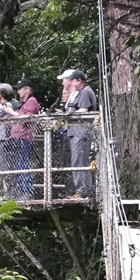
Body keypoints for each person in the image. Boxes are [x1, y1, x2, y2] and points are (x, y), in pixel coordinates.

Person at [57, 68, 98, 199]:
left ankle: (82, 191)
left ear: (78, 80)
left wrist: (67, 114)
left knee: (78, 161)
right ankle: (85, 190)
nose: (70, 83)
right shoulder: (82, 92)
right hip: (77, 132)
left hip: (81, 131)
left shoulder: (85, 92)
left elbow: (83, 110)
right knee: (80, 161)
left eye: (72, 80)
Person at [1, 78, 40, 199]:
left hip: (23, 137)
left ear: (27, 89)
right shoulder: (21, 103)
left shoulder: (31, 100)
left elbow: (27, 118)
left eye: (20, 89)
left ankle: (26, 192)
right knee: (17, 166)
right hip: (16, 138)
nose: (18, 92)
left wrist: (11, 112)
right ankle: (21, 192)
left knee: (22, 164)